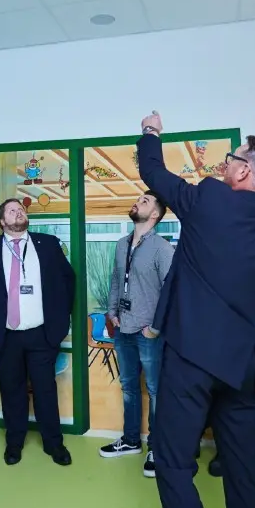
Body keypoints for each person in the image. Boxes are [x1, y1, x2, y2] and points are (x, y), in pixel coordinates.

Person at [137, 111, 255, 508]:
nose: (226, 162)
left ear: (244, 170)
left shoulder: (209, 199)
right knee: (241, 468)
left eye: (233, 157)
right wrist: (248, 313)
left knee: (173, 463)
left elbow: (152, 171)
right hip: (240, 367)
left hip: (189, 359)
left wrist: (151, 131)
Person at [0, 198, 76, 466]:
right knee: (11, 390)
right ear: (2, 221)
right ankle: (14, 443)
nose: (19, 212)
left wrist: (61, 318)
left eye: (22, 209)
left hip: (41, 334)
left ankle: (54, 444)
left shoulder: (47, 244)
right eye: (12, 210)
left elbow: (68, 279)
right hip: (5, 335)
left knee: (45, 390)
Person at [99, 191, 174, 478]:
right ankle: (131, 440)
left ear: (155, 214)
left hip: (149, 333)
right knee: (129, 387)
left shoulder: (162, 248)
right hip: (123, 329)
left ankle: (157, 447)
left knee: (155, 390)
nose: (137, 202)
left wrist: (155, 327)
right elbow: (116, 280)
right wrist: (111, 312)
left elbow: (171, 291)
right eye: (138, 199)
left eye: (145, 201)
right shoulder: (121, 244)